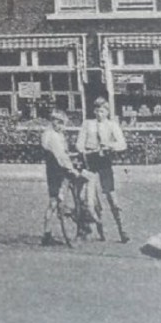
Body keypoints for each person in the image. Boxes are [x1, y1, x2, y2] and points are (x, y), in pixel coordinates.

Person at [75, 97, 129, 243]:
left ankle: (122, 230)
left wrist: (110, 145)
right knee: (86, 196)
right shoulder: (87, 124)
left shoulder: (112, 125)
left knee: (111, 195)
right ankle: (92, 228)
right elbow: (79, 143)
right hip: (90, 160)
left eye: (103, 111)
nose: (100, 113)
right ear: (94, 111)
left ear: (107, 112)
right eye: (98, 110)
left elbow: (122, 144)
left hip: (104, 160)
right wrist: (83, 150)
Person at [41, 110, 76, 246]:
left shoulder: (53, 134)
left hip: (53, 168)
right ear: (52, 121)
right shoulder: (53, 136)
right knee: (54, 201)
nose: (60, 126)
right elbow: (61, 156)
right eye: (58, 122)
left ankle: (48, 232)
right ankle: (48, 234)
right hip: (57, 170)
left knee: (54, 201)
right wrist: (71, 169)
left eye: (62, 123)